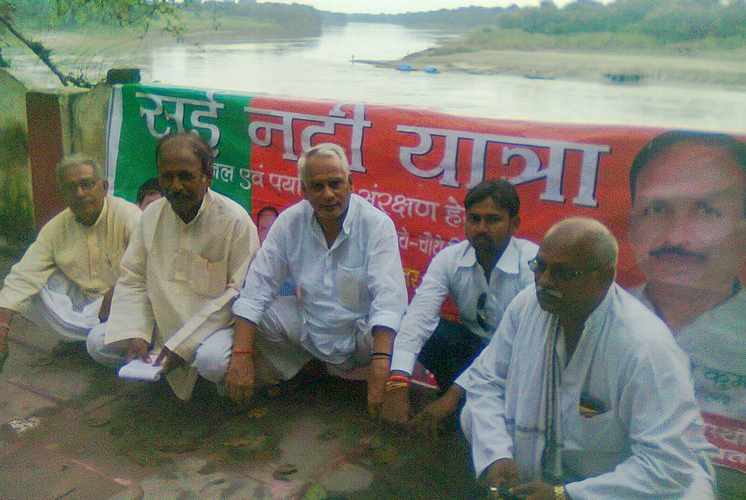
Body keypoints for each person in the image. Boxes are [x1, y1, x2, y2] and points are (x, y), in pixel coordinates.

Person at [461, 217, 715, 499]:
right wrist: (496, 455)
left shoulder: (645, 345)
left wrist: (566, 495)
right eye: (540, 267)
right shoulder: (528, 305)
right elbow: (485, 381)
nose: (544, 281)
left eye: (562, 273)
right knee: (472, 414)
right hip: (545, 472)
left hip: (621, 485)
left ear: (605, 277)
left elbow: (667, 465)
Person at [226, 143, 408, 415]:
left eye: (335, 184)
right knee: (256, 316)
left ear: (350, 183)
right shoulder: (290, 222)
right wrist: (241, 356)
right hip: (312, 326)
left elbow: (389, 300)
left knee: (403, 330)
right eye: (317, 187)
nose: (328, 195)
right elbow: (257, 288)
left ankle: (383, 388)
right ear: (304, 190)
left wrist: (381, 363)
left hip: (361, 335)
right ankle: (305, 370)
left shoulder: (376, 225)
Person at [86, 132, 259, 400]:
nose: (176, 186)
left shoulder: (234, 221)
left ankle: (208, 386)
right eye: (167, 176)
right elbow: (133, 277)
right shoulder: (152, 215)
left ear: (207, 176)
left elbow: (237, 293)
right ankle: (160, 371)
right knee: (97, 343)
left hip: (213, 329)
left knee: (212, 360)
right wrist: (136, 332)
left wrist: (183, 346)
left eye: (186, 176)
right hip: (161, 321)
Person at [628, 130, 746, 495]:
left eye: (707, 210)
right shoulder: (601, 318)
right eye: (656, 209)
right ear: (631, 224)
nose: (676, 236)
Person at [381, 179, 538, 428]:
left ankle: (460, 402)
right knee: (428, 331)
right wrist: (398, 383)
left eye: (493, 220)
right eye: (474, 219)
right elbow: (418, 318)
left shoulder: (531, 265)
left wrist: (453, 397)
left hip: (517, 358)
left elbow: (514, 344)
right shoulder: (450, 259)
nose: (482, 228)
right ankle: (459, 401)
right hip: (474, 350)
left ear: (514, 224)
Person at [0, 154, 141, 372]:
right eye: (71, 188)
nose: (80, 193)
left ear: (103, 187)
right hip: (87, 304)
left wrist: (117, 293)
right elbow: (24, 274)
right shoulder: (56, 228)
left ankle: (128, 344)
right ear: (63, 195)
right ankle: (84, 336)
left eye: (86, 184)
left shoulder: (128, 216)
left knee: (97, 345)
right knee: (28, 289)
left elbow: (149, 268)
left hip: (128, 305)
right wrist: (2, 327)